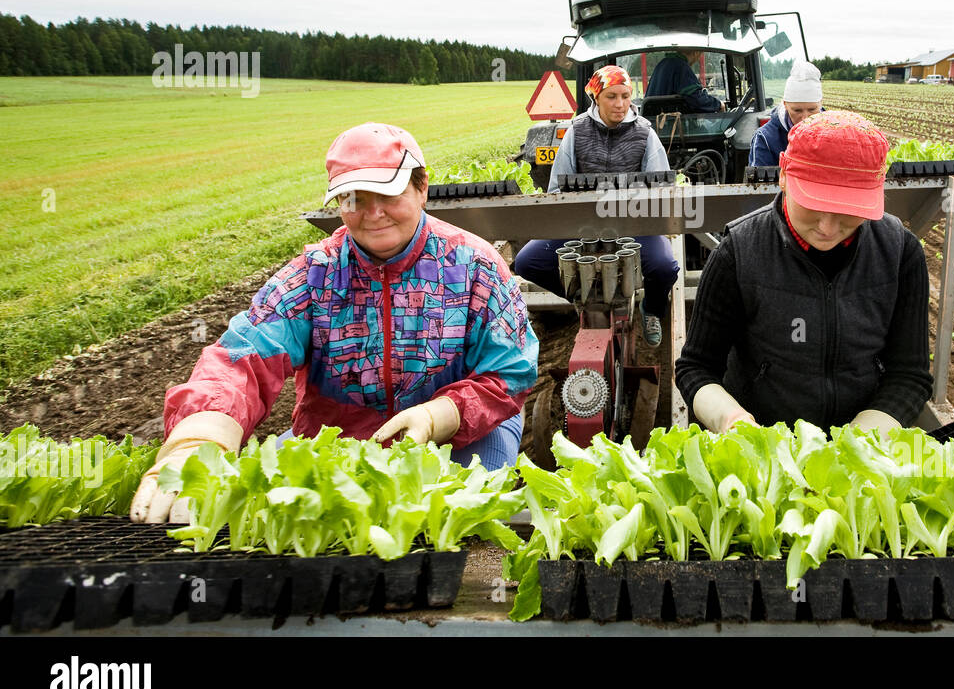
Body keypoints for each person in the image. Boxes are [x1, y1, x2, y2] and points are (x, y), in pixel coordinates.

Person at [131, 122, 539, 524]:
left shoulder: (475, 266)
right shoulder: (314, 275)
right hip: (341, 441)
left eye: (388, 193)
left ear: (421, 187)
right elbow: (242, 360)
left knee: (455, 523)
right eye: (354, 199)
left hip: (461, 433)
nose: (373, 213)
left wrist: (439, 416)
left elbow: (510, 372)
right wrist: (198, 440)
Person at [676, 110, 932, 435]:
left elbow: (910, 374)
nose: (827, 227)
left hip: (863, 449)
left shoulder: (900, 253)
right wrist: (732, 422)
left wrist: (860, 440)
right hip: (766, 452)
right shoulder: (738, 253)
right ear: (783, 174)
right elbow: (695, 368)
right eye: (813, 203)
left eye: (847, 211)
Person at [513, 64, 680, 347]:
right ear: (596, 98)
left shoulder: (645, 134)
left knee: (664, 267)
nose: (620, 104)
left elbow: (662, 190)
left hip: (635, 225)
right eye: (611, 97)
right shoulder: (576, 132)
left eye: (626, 96)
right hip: (582, 227)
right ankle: (584, 297)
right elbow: (556, 189)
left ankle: (651, 310)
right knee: (527, 262)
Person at [749, 60, 824, 167]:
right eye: (797, 110)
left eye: (812, 110)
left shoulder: (835, 133)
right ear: (785, 104)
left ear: (821, 103)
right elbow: (761, 182)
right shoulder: (766, 139)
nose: (805, 118)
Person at [645, 48, 723, 113]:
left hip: (654, 120)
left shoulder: (663, 64)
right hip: (668, 123)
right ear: (696, 53)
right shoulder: (681, 66)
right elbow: (695, 98)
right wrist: (718, 105)